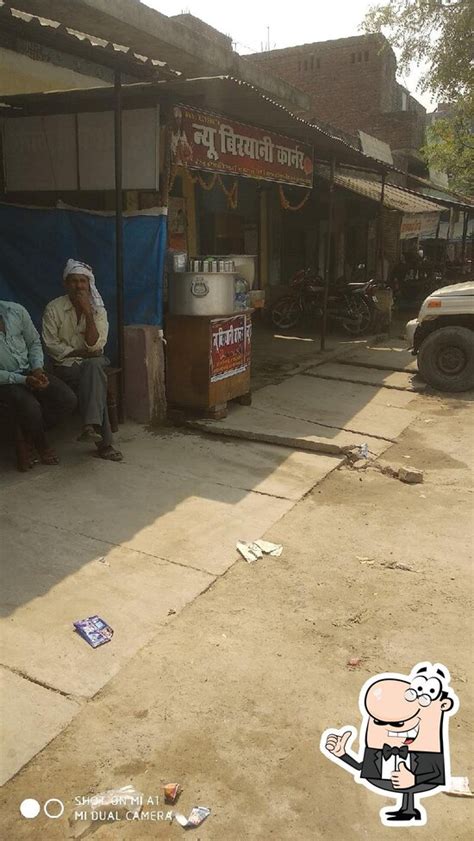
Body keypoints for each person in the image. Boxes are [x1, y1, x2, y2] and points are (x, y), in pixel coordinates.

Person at [42, 259, 122, 462]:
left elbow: (96, 347)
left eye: (83, 281)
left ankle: (91, 427)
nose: (78, 286)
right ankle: (101, 440)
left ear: (89, 284)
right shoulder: (54, 308)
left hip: (92, 363)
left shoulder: (98, 309)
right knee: (95, 377)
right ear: (66, 284)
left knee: (93, 367)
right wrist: (80, 353)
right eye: (74, 281)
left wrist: (88, 311)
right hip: (65, 366)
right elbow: (51, 345)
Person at [0, 300, 77, 466]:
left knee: (67, 399)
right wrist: (24, 380)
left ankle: (30, 435)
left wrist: (37, 370)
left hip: (30, 371)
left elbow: (33, 342)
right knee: (31, 405)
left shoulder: (15, 310)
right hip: (5, 381)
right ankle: (42, 445)